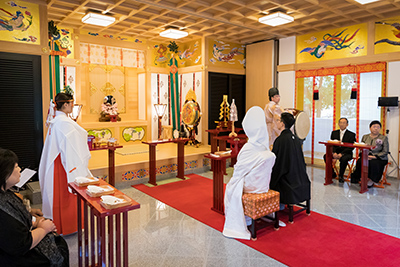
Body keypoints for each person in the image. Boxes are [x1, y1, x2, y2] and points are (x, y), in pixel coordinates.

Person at [0, 148, 69, 266]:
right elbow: (21, 244)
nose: (19, 169)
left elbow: (16, 218)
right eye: (16, 167)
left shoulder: (6, 193)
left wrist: (34, 221)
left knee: (57, 240)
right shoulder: (3, 212)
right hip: (14, 257)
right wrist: (43, 229)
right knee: (59, 248)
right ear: (5, 174)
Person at [39, 92, 92, 235]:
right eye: (72, 103)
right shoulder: (63, 123)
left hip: (57, 162)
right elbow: (72, 146)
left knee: (57, 195)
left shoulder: (56, 120)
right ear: (66, 104)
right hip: (65, 164)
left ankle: (60, 225)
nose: (73, 106)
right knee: (66, 195)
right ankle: (69, 226)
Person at [223, 106, 276, 240]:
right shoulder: (265, 145)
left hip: (252, 186)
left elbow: (239, 171)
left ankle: (245, 218)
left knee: (230, 187)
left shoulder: (249, 148)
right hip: (263, 185)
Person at [270, 112, 311, 208]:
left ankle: (278, 206)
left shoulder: (280, 140)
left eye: (279, 120)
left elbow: (276, 162)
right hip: (300, 178)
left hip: (288, 181)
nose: (277, 123)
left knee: (272, 178)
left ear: (283, 123)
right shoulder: (296, 139)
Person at [351, 120, 389, 187]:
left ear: (380, 128)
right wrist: (365, 156)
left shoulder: (383, 138)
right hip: (366, 156)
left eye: (378, 127)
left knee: (373, 163)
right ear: (370, 128)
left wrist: (374, 157)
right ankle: (361, 178)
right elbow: (361, 147)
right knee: (360, 161)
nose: (376, 128)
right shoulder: (365, 137)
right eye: (374, 126)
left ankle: (372, 180)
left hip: (379, 158)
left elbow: (385, 151)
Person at [323, 118, 356, 183]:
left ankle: (341, 175)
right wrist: (334, 152)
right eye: (340, 122)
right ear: (338, 124)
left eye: (344, 123)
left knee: (344, 159)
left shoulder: (351, 134)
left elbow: (351, 147)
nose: (342, 124)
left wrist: (342, 154)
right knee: (326, 156)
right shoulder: (334, 133)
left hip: (346, 153)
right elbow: (332, 144)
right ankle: (332, 173)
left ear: (347, 125)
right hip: (336, 151)